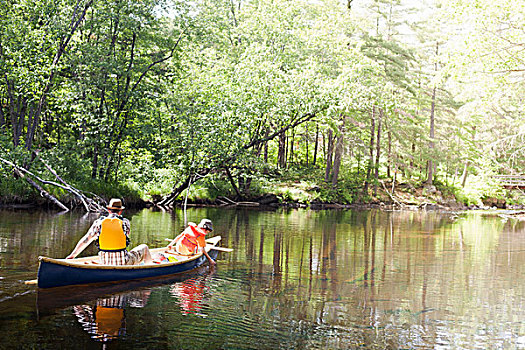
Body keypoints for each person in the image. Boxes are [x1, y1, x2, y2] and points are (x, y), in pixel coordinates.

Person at [66, 198, 153, 265]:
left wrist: (72, 256)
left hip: (104, 261)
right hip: (123, 262)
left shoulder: (98, 223)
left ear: (108, 210)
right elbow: (126, 236)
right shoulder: (125, 222)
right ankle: (149, 270)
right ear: (120, 211)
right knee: (144, 247)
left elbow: (86, 240)